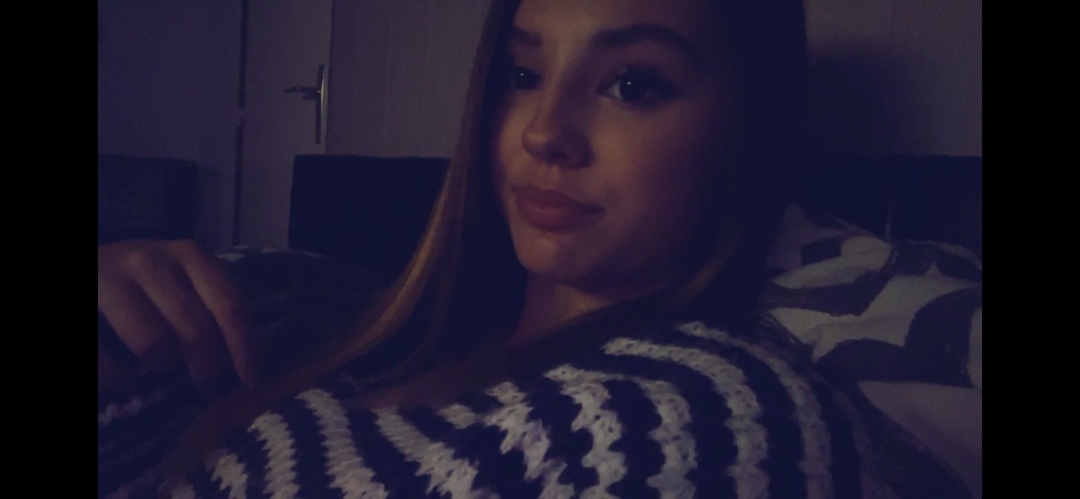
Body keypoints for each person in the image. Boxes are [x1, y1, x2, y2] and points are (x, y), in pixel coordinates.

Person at [98, 0, 978, 497]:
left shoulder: (698, 415)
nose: (543, 131)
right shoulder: (311, 312)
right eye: (523, 75)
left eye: (632, 83)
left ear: (747, 131)